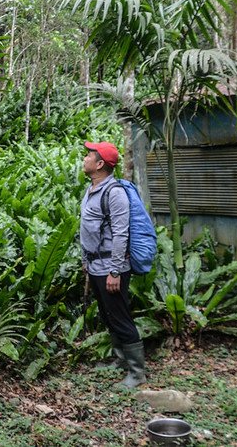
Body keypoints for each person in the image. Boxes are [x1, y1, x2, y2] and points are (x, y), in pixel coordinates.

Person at [80, 141, 146, 388]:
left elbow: (121, 234)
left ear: (99, 165)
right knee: (109, 316)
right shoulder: (92, 189)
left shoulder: (114, 193)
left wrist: (115, 270)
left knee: (120, 317)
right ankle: (121, 360)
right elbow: (89, 230)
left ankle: (137, 373)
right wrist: (87, 262)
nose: (85, 158)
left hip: (112, 268)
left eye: (89, 155)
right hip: (97, 266)